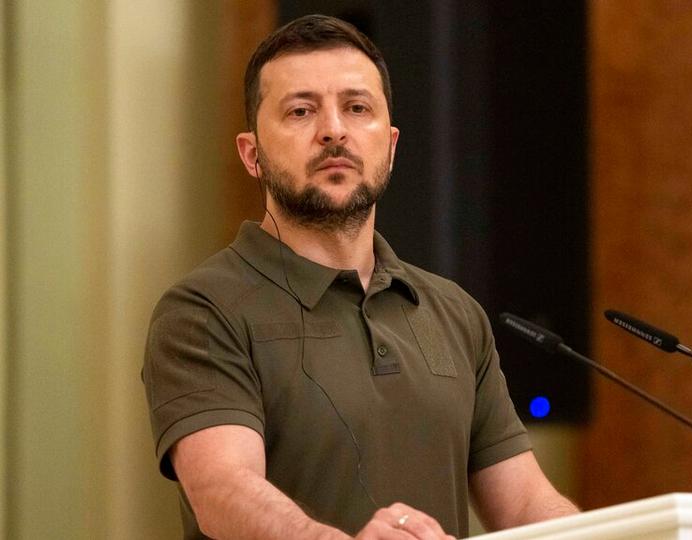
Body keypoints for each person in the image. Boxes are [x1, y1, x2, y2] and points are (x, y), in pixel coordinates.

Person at [142, 13, 578, 540]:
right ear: (252, 155)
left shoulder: (453, 311)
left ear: (390, 146)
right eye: (301, 111)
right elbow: (224, 492)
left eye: (357, 108)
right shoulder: (203, 310)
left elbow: (527, 502)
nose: (334, 130)